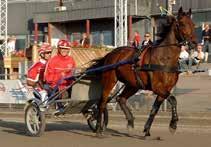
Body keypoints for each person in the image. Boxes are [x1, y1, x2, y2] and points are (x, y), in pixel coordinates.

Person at [44, 39, 76, 114]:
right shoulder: (52, 60)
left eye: (66, 49)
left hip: (67, 84)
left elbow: (73, 71)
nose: (64, 50)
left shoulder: (71, 60)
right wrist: (57, 79)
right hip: (56, 85)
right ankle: (59, 106)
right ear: (59, 49)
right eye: (62, 48)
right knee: (57, 89)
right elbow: (47, 76)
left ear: (68, 50)